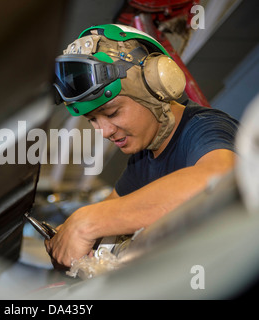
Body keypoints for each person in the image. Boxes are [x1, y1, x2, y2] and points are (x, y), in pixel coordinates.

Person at [45, 24, 239, 268]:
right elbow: (115, 206)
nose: (104, 132)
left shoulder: (204, 127)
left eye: (112, 113)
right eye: (93, 120)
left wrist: (87, 222)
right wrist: (66, 232)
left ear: (154, 86)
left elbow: (220, 178)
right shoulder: (142, 159)